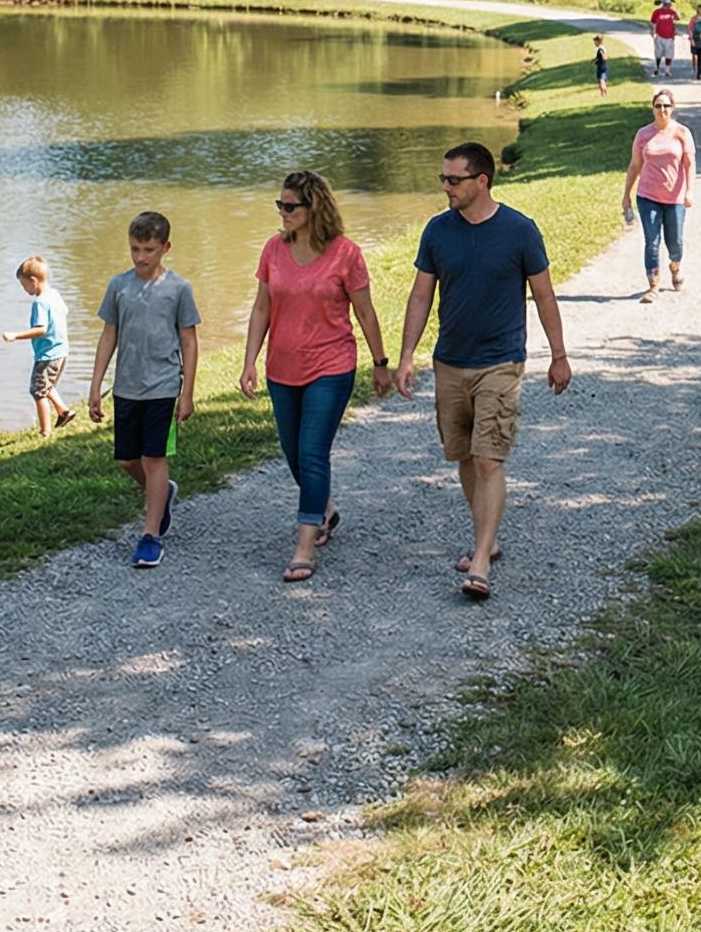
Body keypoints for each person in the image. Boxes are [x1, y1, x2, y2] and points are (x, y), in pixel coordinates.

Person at [394, 142, 573, 600]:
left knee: (490, 457)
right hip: (450, 361)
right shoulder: (437, 232)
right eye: (443, 179)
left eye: (453, 180)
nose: (446, 187)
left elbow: (545, 295)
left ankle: (479, 559)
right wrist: (407, 354)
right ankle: (485, 541)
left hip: (501, 360)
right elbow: (420, 297)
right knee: (466, 457)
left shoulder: (519, 231)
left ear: (481, 181)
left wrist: (559, 354)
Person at [239, 171, 389, 583]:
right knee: (292, 451)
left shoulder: (346, 254)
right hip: (282, 367)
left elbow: (365, 312)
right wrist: (249, 360)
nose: (283, 213)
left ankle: (305, 546)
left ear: (314, 208)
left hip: (331, 365)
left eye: (291, 207)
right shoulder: (273, 249)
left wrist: (380, 362)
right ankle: (323, 508)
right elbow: (261, 310)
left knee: (311, 451)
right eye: (280, 206)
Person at [86, 211, 200, 569]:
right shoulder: (119, 286)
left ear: (166, 247)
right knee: (126, 459)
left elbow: (189, 341)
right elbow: (109, 335)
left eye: (149, 249)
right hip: (126, 387)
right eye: (135, 249)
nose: (140, 257)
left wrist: (187, 393)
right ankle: (163, 493)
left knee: (154, 458)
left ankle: (150, 536)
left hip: (163, 385)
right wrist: (95, 386)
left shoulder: (178, 289)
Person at [620, 89, 698, 301]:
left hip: (675, 198)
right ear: (652, 108)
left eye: (666, 106)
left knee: (675, 243)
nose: (662, 110)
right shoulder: (643, 134)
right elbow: (635, 165)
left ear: (672, 108)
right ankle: (653, 286)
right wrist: (626, 195)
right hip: (647, 196)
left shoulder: (682, 133)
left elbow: (690, 164)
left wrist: (689, 191)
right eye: (658, 106)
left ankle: (675, 266)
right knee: (652, 241)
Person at [0, 254, 75, 433]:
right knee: (45, 386)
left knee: (38, 391)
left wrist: (15, 336)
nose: (24, 289)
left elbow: (41, 329)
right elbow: (64, 313)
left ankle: (45, 432)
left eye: (24, 284)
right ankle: (63, 412)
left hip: (47, 354)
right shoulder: (54, 295)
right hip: (62, 351)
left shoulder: (39, 303)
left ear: (33, 281)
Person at [648, 0, 681, 78]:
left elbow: (679, 17)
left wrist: (675, 9)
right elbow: (652, 23)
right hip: (659, 36)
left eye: (669, 3)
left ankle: (667, 71)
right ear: (664, 3)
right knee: (658, 54)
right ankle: (657, 68)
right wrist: (653, 32)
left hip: (670, 37)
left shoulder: (672, 12)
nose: (669, 5)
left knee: (669, 54)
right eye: (668, 3)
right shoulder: (657, 12)